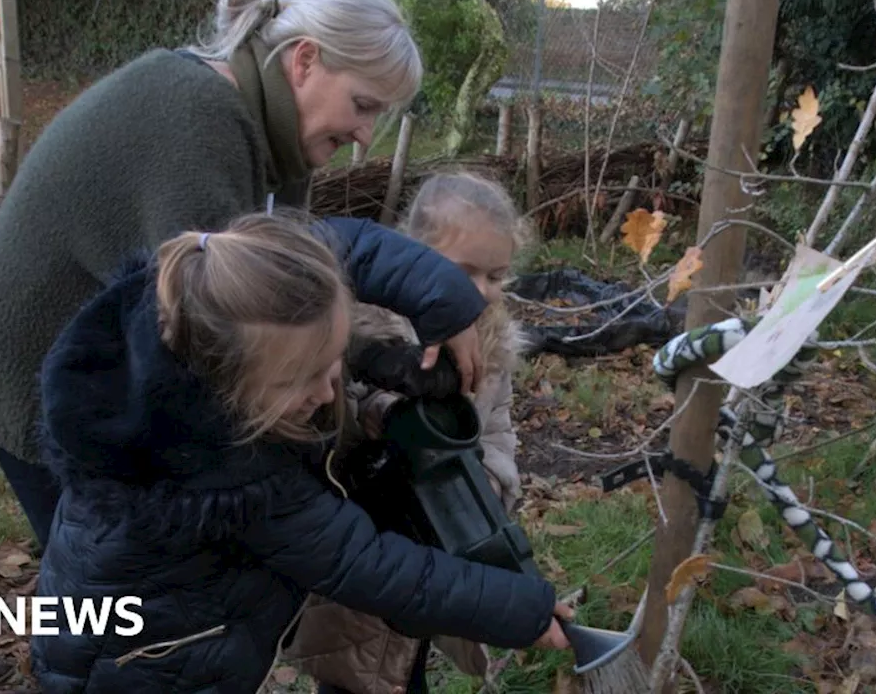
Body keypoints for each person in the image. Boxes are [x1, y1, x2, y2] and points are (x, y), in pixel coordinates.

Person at [0, 0, 478, 551]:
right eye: (363, 105)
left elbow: (290, 302)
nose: (364, 136)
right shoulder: (196, 118)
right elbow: (233, 328)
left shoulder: (280, 140)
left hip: (117, 353)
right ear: (305, 61)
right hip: (36, 364)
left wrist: (380, 361)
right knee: (114, 582)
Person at [29, 210, 574, 693]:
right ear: (233, 388)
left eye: (334, 360)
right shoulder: (235, 483)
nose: (327, 392)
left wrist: (445, 301)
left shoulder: (192, 317)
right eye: (303, 379)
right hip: (142, 669)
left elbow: (341, 244)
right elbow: (372, 567)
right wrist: (520, 610)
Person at [284, 171, 533, 694]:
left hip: (435, 545)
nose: (482, 292)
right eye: (465, 272)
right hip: (365, 543)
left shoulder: (492, 350)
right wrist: (384, 407)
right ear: (414, 253)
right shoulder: (364, 327)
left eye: (496, 276)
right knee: (352, 668)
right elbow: (330, 415)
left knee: (404, 661)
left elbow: (499, 434)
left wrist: (488, 478)